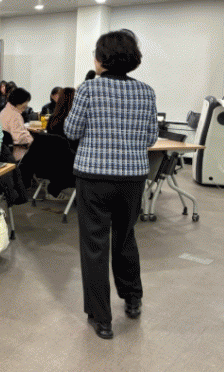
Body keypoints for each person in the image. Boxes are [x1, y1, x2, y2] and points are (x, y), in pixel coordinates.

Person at [65, 30, 158, 340]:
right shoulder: (146, 92)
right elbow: (151, 138)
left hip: (94, 176)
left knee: (94, 245)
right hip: (132, 177)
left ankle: (102, 318)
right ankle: (133, 299)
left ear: (101, 59)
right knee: (125, 237)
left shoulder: (89, 89)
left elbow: (71, 130)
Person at [0, 87, 33, 161]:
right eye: (26, 101)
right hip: (17, 154)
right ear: (19, 101)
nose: (27, 105)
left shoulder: (4, 111)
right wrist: (32, 140)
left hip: (4, 152)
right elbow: (20, 138)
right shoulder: (15, 116)